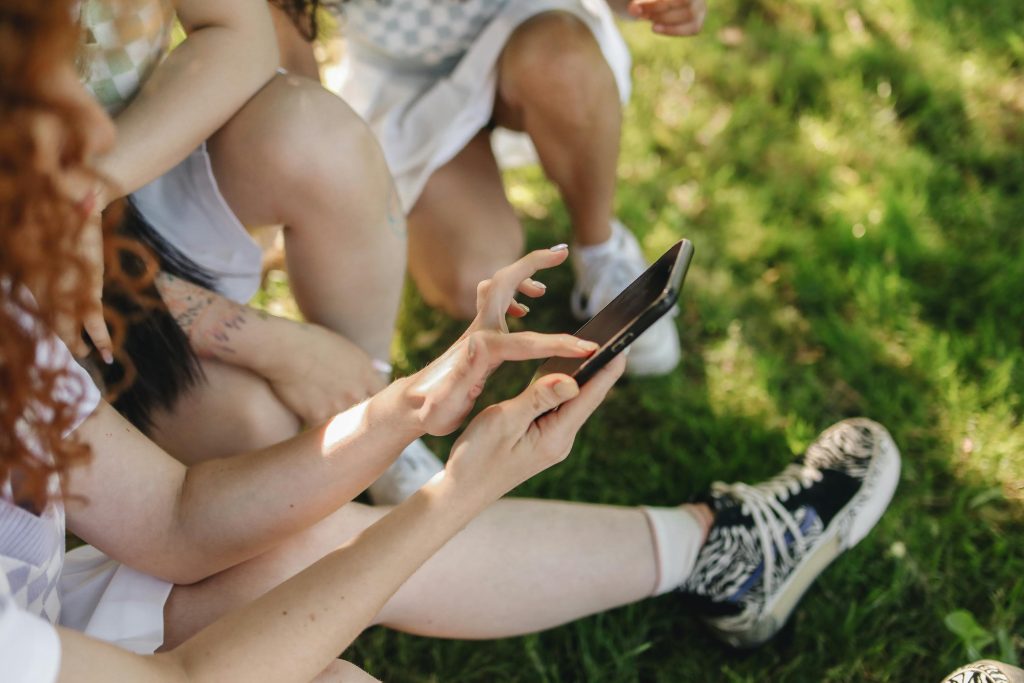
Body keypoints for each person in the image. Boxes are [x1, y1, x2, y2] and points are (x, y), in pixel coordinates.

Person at [1, 1, 901, 679]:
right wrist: (455, 493)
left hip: (44, 600)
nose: (107, 127)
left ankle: (720, 550)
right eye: (61, 98)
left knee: (291, 542)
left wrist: (413, 407)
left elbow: (173, 518)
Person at [75, 0, 446, 501]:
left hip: (127, 170)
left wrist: (95, 186)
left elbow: (238, 32)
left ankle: (363, 403)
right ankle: (339, 395)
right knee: (253, 430)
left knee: (317, 136)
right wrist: (273, 345)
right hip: (37, 277)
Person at [306, 0, 708, 377]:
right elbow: (284, 33)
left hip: (528, 27)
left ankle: (601, 248)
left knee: (561, 63)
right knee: (473, 283)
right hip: (403, 79)